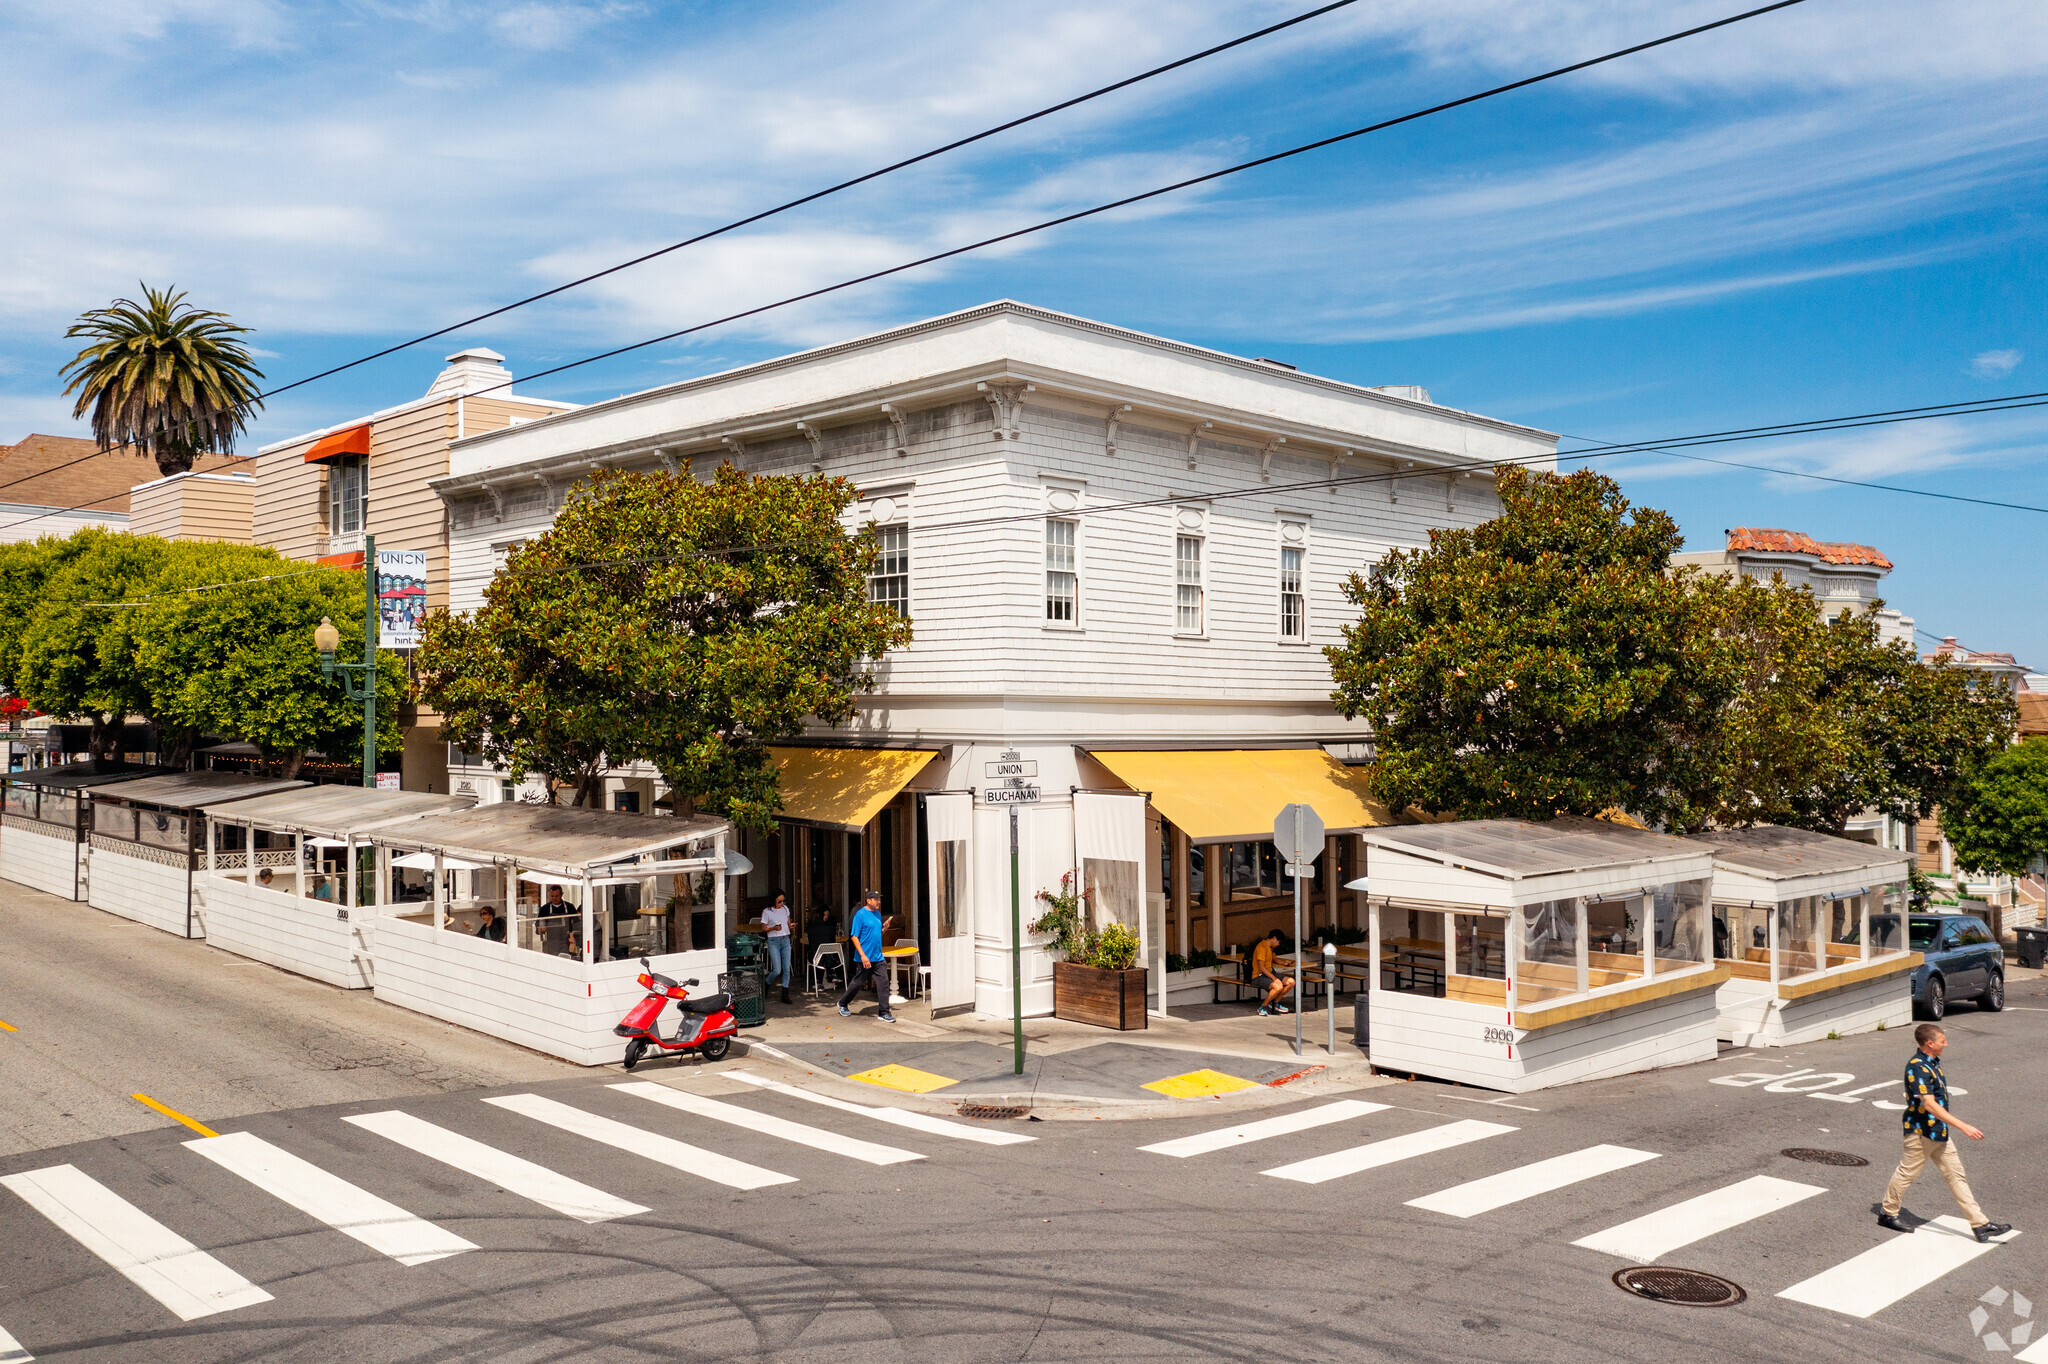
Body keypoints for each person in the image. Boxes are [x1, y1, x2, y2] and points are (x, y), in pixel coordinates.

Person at [1879, 1023, 2013, 1242]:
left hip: (1938, 1132)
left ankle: (1980, 1225)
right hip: (1921, 1132)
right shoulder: (1917, 1067)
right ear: (1929, 1044)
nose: (1946, 1044)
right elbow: (1929, 1105)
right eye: (1942, 1040)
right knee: (1907, 1173)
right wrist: (1964, 1126)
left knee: (1956, 1176)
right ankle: (1887, 1213)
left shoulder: (1931, 1063)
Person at [837, 889, 895, 1023]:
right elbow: (854, 937)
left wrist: (885, 928)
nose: (878, 901)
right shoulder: (860, 915)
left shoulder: (877, 914)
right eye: (876, 899)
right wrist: (863, 956)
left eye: (879, 899)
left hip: (878, 957)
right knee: (857, 983)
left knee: (884, 983)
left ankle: (884, 1012)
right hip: (864, 957)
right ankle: (843, 1003)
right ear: (868, 901)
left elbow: (877, 934)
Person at [1251, 927, 1296, 1016]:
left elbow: (1275, 960)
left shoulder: (1270, 948)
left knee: (1291, 982)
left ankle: (1275, 1003)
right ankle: (1263, 1006)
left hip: (1269, 973)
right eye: (1278, 941)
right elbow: (1261, 968)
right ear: (1274, 938)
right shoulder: (1262, 947)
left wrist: (1284, 963)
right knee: (1278, 986)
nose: (1279, 944)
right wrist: (1274, 978)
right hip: (1259, 976)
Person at [761, 891, 793, 1005]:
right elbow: (764, 928)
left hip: (785, 939)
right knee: (777, 969)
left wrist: (791, 925)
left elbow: (788, 922)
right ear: (774, 900)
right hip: (774, 940)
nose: (782, 903)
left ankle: (785, 993)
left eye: (783, 901)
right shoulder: (767, 911)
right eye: (779, 901)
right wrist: (773, 928)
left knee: (786, 968)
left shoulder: (785, 909)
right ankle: (767, 983)